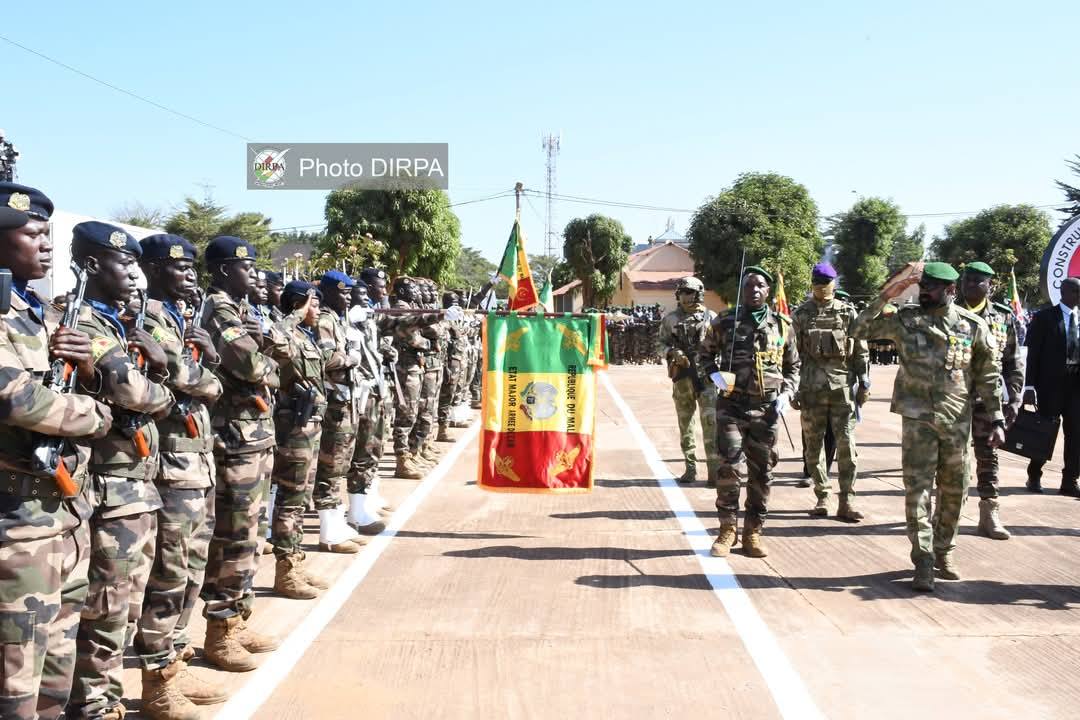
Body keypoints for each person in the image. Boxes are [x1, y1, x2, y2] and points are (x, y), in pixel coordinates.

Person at [0, 184, 113, 720]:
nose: (46, 245)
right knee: (14, 684)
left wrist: (87, 371)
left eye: (48, 233)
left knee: (55, 675)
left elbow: (67, 390)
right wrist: (97, 416)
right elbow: (17, 399)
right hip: (16, 527)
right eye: (31, 233)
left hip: (64, 514)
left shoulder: (37, 312)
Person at [65, 223, 175, 720]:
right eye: (122, 264)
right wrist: (161, 380)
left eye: (135, 264)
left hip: (133, 485)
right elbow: (134, 393)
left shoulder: (116, 324)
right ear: (92, 266)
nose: (134, 274)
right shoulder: (86, 323)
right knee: (104, 609)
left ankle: (109, 699)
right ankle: (94, 705)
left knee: (124, 604)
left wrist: (153, 370)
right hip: (109, 489)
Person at [852, 262, 1004, 592]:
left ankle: (943, 551)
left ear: (950, 291)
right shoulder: (905, 320)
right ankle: (923, 560)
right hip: (917, 420)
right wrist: (886, 295)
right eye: (923, 286)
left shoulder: (972, 326)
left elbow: (989, 377)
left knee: (955, 490)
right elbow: (858, 329)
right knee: (917, 492)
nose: (924, 292)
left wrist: (996, 418)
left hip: (956, 420)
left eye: (932, 288)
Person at [134, 234, 226, 718]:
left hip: (197, 462)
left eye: (193, 267)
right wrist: (195, 370)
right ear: (148, 269)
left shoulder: (178, 317)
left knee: (192, 570)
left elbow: (205, 379)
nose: (190, 275)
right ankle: (156, 681)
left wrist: (201, 364)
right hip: (170, 466)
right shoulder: (148, 317)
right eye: (178, 267)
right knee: (169, 575)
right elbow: (187, 381)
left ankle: (175, 658)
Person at [197, 236, 283, 672]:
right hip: (234, 438)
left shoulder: (244, 311)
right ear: (224, 271)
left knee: (251, 536)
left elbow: (264, 358)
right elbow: (252, 367)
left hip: (254, 436)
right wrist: (268, 361)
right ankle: (220, 631)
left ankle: (238, 617)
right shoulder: (221, 311)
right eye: (245, 267)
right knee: (234, 538)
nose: (253, 274)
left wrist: (265, 353)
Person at [697, 266, 799, 559]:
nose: (754, 290)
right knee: (730, 467)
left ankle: (753, 532)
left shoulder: (782, 325)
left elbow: (793, 367)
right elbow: (704, 353)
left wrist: (787, 394)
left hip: (766, 410)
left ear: (768, 292)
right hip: (732, 405)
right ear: (742, 291)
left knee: (762, 472)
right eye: (749, 286)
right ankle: (727, 530)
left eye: (760, 286)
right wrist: (714, 375)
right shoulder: (724, 321)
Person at [270, 281, 333, 598]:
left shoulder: (306, 335)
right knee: (290, 501)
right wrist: (296, 314)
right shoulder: (284, 331)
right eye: (313, 304)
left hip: (311, 425)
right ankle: (286, 573)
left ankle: (296, 562)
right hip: (294, 426)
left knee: (300, 501)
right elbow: (275, 340)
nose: (318, 310)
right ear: (298, 304)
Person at [791, 263, 869, 521]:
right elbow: (792, 354)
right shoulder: (801, 314)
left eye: (826, 281)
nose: (822, 286)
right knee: (813, 447)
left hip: (842, 390)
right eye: (818, 281)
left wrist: (864, 382)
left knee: (847, 446)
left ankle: (847, 500)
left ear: (834, 283)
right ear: (812, 282)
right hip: (811, 389)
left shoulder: (847, 312)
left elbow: (860, 349)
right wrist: (792, 387)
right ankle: (822, 495)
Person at [958, 262, 1024, 538]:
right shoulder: (947, 313)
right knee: (950, 458)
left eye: (978, 281)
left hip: (989, 400)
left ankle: (989, 512)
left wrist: (1015, 398)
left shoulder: (1003, 317)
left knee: (988, 455)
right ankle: (946, 510)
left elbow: (1013, 361)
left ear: (990, 285)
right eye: (967, 280)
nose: (971, 285)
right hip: (953, 398)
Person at [313, 271, 375, 548]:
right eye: (342, 292)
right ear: (327, 292)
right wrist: (350, 358)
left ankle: (337, 523)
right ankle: (329, 531)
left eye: (350, 292)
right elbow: (326, 357)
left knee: (343, 462)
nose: (347, 297)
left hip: (346, 400)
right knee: (332, 464)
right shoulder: (325, 319)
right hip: (334, 403)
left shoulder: (340, 319)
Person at [1023, 276, 1080, 496]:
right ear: (1064, 292)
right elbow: (1033, 355)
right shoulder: (1044, 318)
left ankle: (1070, 481)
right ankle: (1034, 475)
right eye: (1076, 292)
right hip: (1051, 385)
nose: (1079, 296)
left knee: (1075, 434)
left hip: (1075, 385)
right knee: (1045, 431)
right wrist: (1029, 387)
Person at [658, 276, 718, 486]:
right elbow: (660, 344)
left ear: (699, 293)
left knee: (711, 425)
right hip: (682, 379)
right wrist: (673, 352)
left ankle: (714, 470)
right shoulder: (671, 319)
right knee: (686, 425)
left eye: (689, 292)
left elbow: (723, 348)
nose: (685, 296)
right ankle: (690, 468)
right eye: (682, 292)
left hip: (707, 380)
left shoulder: (712, 318)